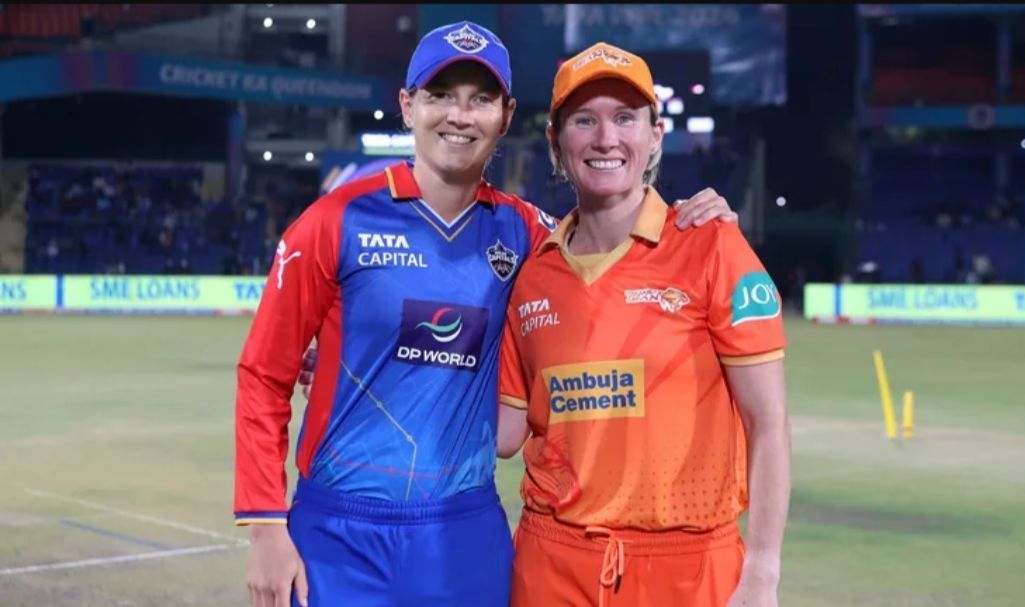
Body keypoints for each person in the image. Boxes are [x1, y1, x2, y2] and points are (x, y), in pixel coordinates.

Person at [238, 22, 738, 607]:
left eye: (480, 99)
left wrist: (689, 218)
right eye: (441, 95)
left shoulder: (529, 234)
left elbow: (616, 252)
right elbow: (263, 376)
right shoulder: (334, 221)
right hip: (337, 533)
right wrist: (267, 525)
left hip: (463, 530)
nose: (459, 115)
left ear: (506, 115)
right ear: (407, 105)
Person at [496, 43, 790, 607]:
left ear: (654, 136)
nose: (606, 138)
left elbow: (769, 423)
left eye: (625, 118)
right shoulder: (533, 273)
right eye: (585, 120)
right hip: (552, 563)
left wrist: (763, 571)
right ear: (556, 142)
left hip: (691, 568)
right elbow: (505, 434)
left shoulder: (711, 245)